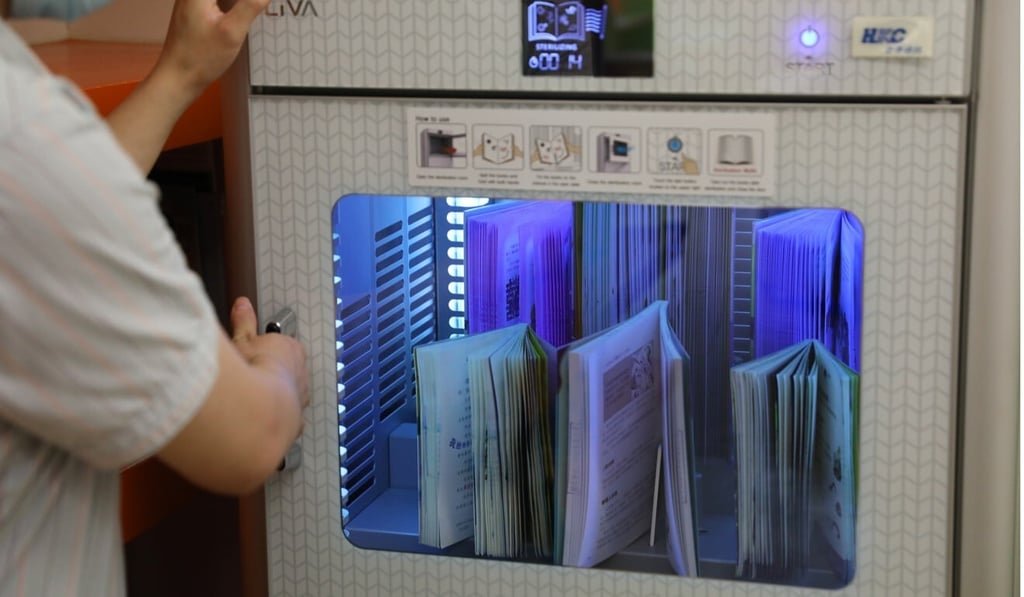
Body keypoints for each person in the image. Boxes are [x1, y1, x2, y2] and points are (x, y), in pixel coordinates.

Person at [0, 0, 309, 594]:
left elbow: (63, 216)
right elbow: (250, 440)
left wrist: (182, 74)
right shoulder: (22, 132)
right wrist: (282, 370)